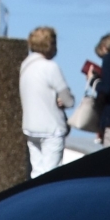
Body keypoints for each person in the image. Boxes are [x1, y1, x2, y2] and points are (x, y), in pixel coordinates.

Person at [19, 26, 74, 178]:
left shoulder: (26, 65)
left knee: (36, 172)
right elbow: (68, 100)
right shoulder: (51, 67)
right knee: (52, 173)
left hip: (31, 126)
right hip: (51, 128)